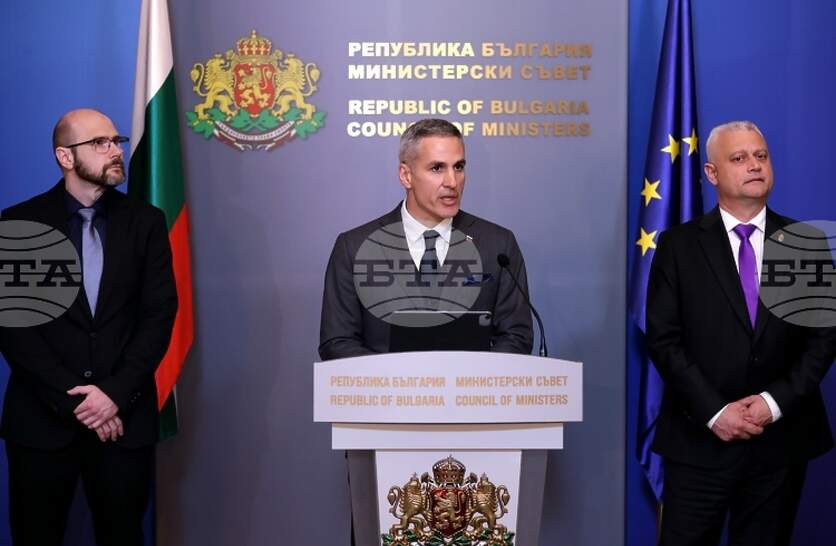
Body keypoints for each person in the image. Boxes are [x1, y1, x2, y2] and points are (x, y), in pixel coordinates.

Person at [646, 120, 836, 546]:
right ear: (712, 173)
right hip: (698, 442)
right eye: (739, 158)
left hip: (780, 444)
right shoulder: (678, 245)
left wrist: (772, 403)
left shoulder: (805, 243)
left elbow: (823, 338)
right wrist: (716, 412)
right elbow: (664, 339)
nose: (754, 165)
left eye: (761, 156)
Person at [0, 108, 177, 546]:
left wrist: (113, 395)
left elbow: (158, 316)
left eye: (116, 141)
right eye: (100, 143)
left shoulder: (146, 222)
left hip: (122, 421)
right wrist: (79, 402)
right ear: (65, 156)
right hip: (42, 424)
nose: (114, 151)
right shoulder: (21, 223)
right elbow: (17, 328)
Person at [319, 118, 533, 359]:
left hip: (472, 384)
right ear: (406, 175)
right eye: (437, 168)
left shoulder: (498, 245)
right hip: (386, 384)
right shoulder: (353, 247)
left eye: (458, 167)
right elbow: (337, 342)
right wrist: (400, 378)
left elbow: (516, 337)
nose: (452, 182)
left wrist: (467, 377)